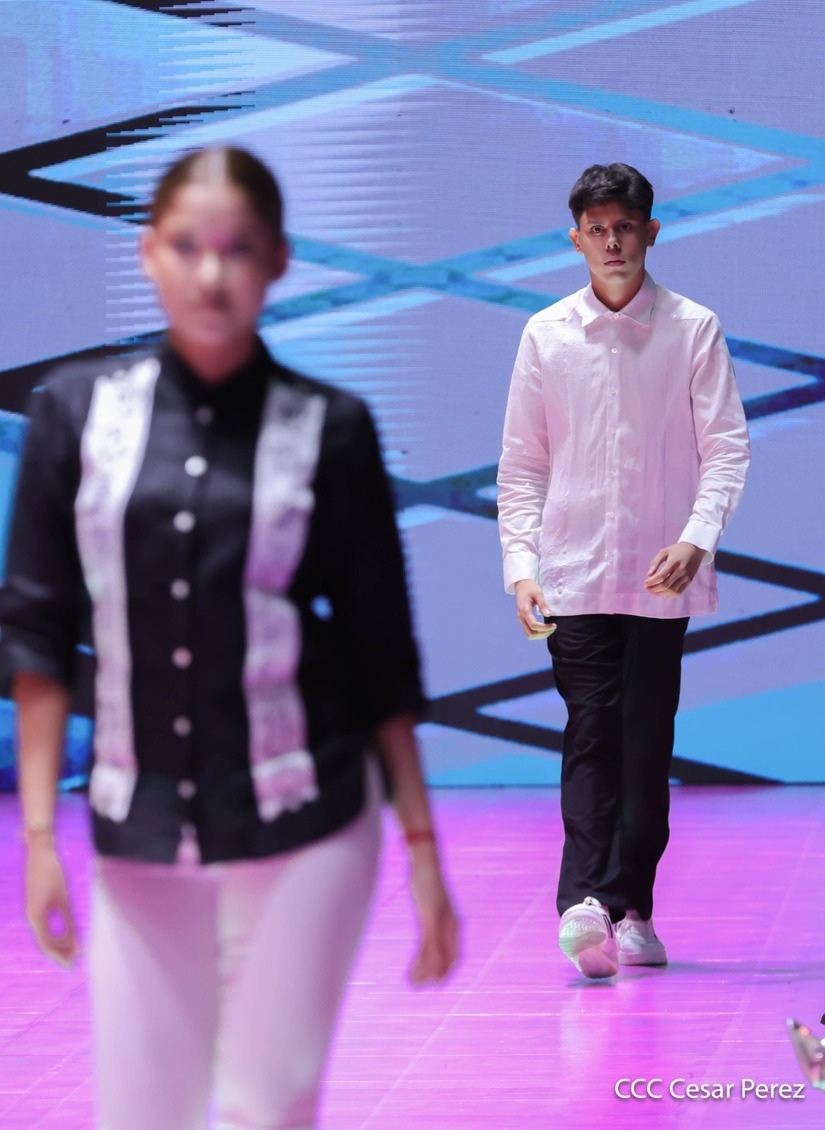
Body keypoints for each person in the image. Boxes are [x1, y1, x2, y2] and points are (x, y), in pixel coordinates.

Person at [0, 146, 459, 1129]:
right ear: (147, 253)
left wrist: (422, 850)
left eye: (239, 248)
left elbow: (382, 654)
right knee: (140, 1113)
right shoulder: (75, 415)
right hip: (136, 823)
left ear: (279, 260)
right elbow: (36, 630)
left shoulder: (331, 426)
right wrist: (39, 837)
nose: (212, 274)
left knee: (265, 1108)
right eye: (187, 246)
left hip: (308, 811)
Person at [497, 162, 749, 980]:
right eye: (597, 230)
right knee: (589, 734)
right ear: (575, 239)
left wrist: (696, 538)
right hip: (571, 573)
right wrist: (520, 565)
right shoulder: (544, 334)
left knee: (643, 749)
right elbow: (522, 465)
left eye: (625, 227)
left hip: (657, 578)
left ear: (651, 232)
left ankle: (630, 908)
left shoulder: (692, 329)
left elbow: (725, 449)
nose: (612, 243)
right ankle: (588, 904)